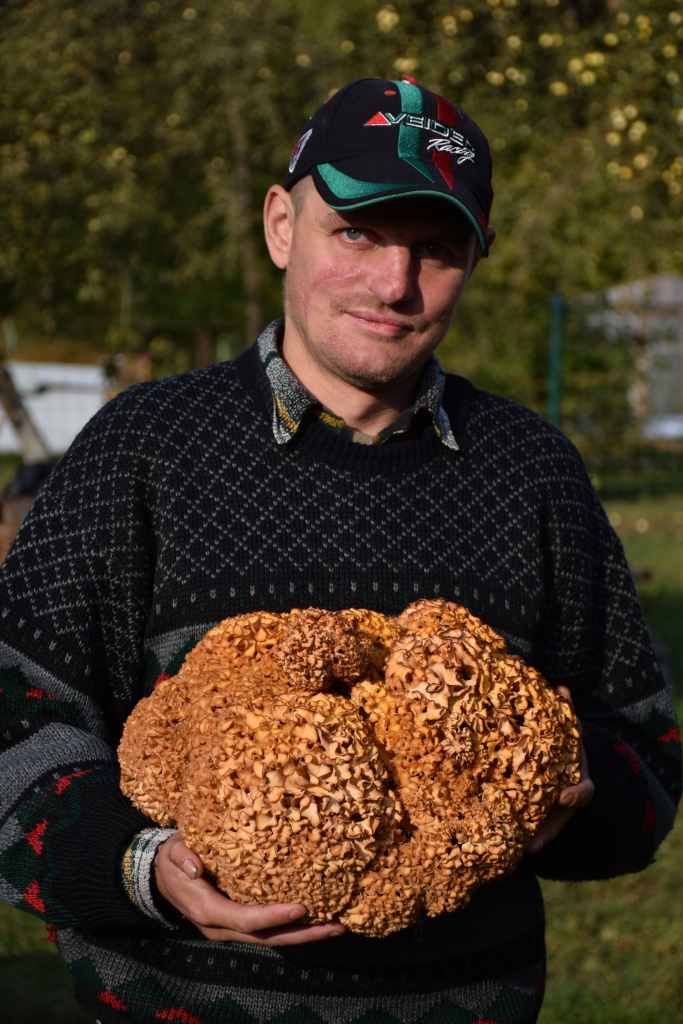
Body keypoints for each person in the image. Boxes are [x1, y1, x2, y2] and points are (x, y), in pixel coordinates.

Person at [0, 77, 679, 1024]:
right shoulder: (139, 452)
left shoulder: (532, 473)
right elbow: (15, 731)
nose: (394, 285)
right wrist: (143, 867)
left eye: (434, 251)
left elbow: (647, 751)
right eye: (355, 234)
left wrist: (565, 800)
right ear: (282, 224)